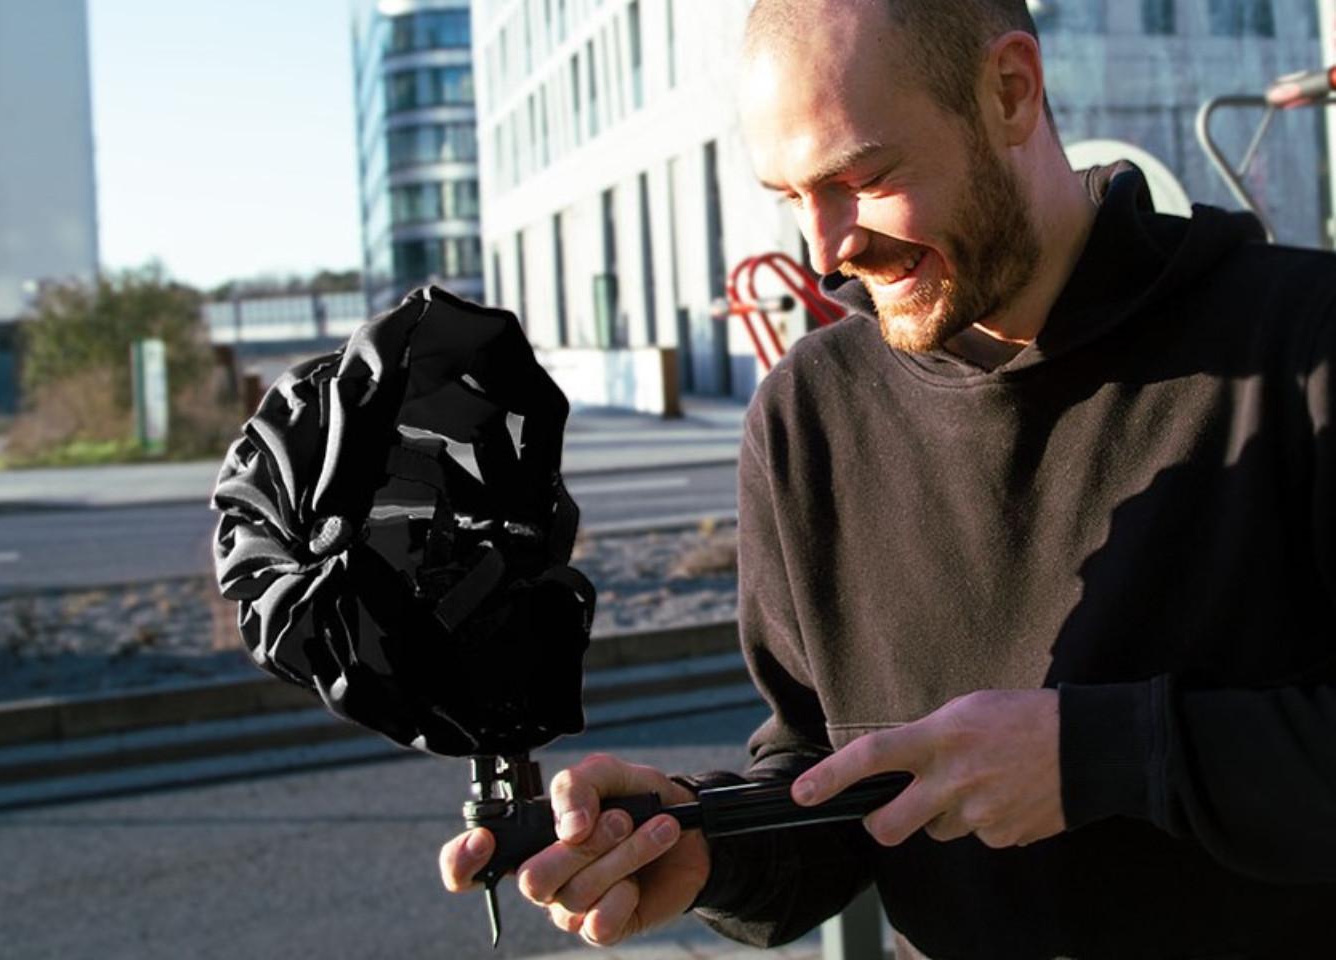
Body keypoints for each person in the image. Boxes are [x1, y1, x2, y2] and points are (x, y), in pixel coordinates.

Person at [438, 0, 1336, 956]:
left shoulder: (1305, 346)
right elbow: (823, 772)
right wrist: (705, 842)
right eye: (790, 197)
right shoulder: (805, 416)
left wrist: (1101, 756)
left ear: (1010, 92)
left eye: (859, 178)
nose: (826, 254)